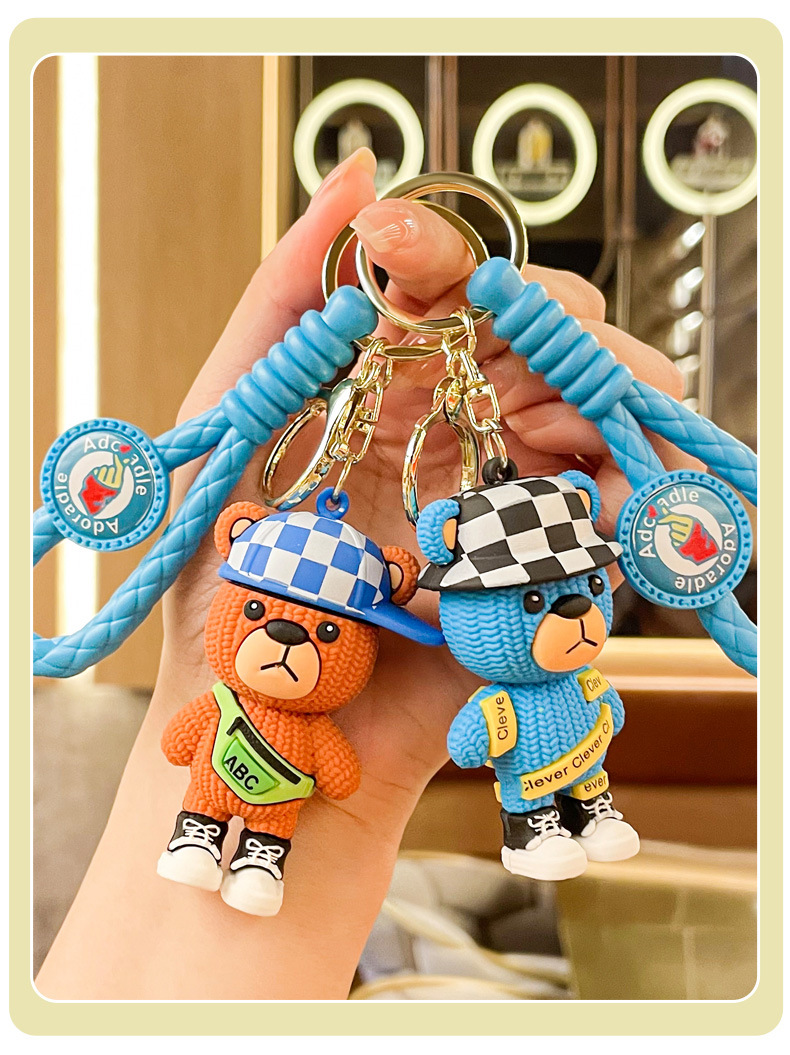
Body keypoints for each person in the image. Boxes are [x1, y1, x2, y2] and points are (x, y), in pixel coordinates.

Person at [35, 147, 694, 1000]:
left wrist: (357, 803)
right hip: (235, 801)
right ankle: (210, 839)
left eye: (573, 588)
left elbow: (398, 755)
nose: (286, 634)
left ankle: (558, 819)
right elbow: (205, 742)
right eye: (268, 612)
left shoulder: (471, 630)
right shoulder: (255, 641)